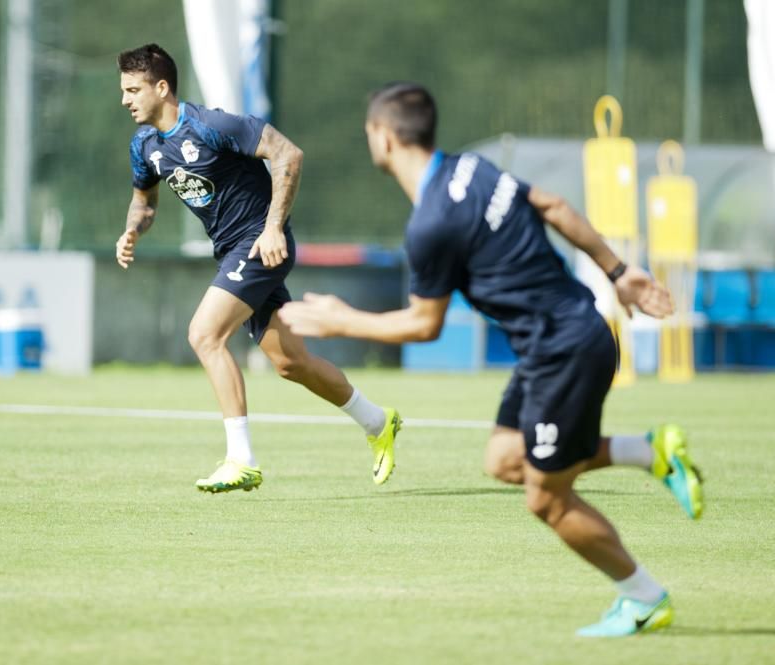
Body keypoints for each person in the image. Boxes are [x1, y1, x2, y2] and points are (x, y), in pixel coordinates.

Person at [279, 82, 704, 637]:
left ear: (383, 136)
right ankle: (651, 452)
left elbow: (423, 325)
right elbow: (555, 205)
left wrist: (341, 321)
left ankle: (645, 597)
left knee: (546, 500)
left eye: (367, 133)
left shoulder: (430, 223)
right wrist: (619, 273)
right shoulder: (471, 169)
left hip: (563, 351)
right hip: (567, 337)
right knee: (504, 458)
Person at [114, 44, 401, 493]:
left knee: (203, 335)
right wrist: (133, 230)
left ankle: (241, 458)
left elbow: (289, 155)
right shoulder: (144, 146)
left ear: (162, 87)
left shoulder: (213, 125)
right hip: (230, 250)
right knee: (291, 364)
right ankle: (378, 422)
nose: (126, 100)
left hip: (259, 243)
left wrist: (272, 229)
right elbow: (143, 200)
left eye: (134, 90)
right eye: (124, 91)